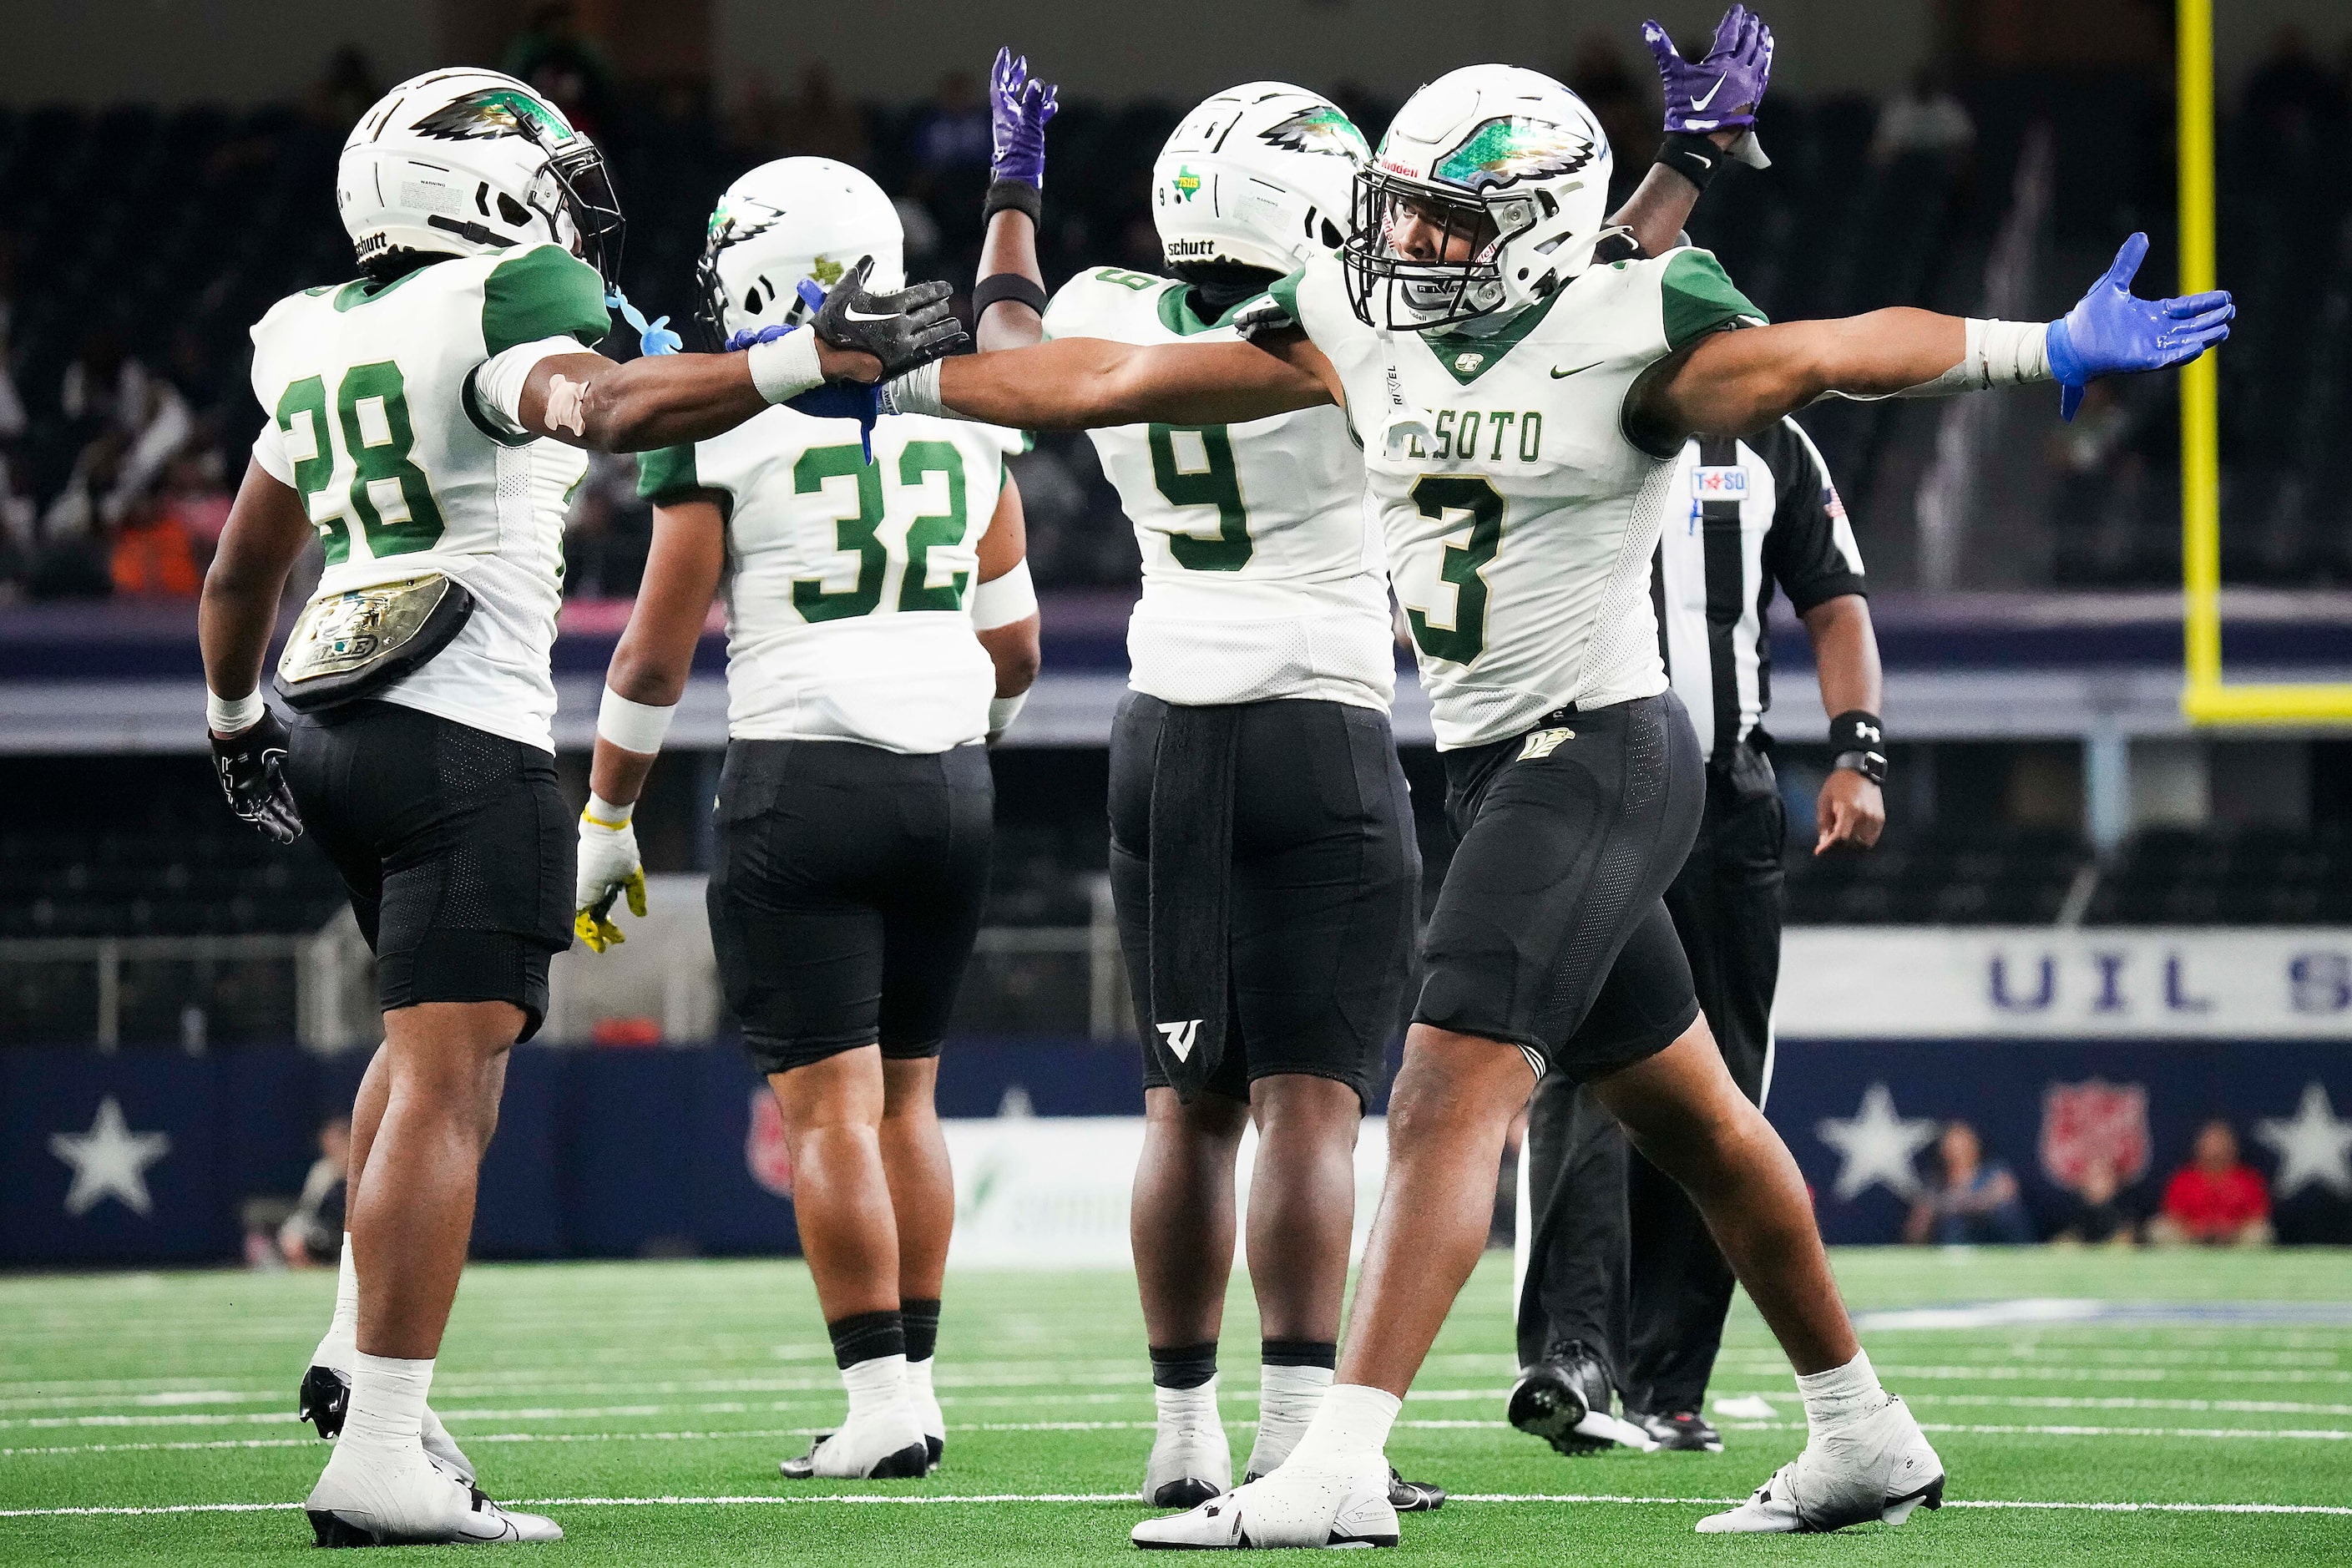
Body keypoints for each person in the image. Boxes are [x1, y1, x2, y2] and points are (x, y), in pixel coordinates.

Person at [883, 55, 2229, 1545]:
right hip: (1491, 766)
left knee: (1450, 1076)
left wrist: (2034, 345)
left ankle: (1334, 1462)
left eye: (1449, 225)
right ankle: (1863, 1429)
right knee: (1701, 1120)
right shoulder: (1352, 314)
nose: (1405, 248)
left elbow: (1826, 353)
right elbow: (1109, 378)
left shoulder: (1629, 329)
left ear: (1533, 228)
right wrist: (889, 366)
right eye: (1402, 214)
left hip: (1603, 747)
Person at [968, 18, 1769, 1513]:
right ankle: (1295, 1436)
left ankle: (1180, 1433)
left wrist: (1013, 186)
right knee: (1312, 1105)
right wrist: (1682, 167)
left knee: (1179, 1106)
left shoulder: (1101, 302)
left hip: (1158, 720)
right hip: (1321, 723)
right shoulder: (1350, 330)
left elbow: (1016, 357)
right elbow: (1554, 298)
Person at [196, 66, 961, 1547]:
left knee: (413, 1063)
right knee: (446, 1087)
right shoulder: (503, 294)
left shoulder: (307, 329)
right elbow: (604, 406)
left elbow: (241, 570)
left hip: (329, 717)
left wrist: (235, 726)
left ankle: (356, 1346)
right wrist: (804, 357)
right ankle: (386, 1446)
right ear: (479, 190)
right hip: (461, 734)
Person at [570, 155, 1038, 1482]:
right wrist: (964, 742)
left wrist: (608, 815)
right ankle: (921, 1385)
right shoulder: (968, 414)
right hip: (951, 784)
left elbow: (653, 660)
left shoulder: (724, 421)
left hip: (799, 781)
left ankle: (881, 1399)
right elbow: (1015, 655)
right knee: (909, 1104)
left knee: (828, 1114)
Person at [1513, 407, 1883, 1457]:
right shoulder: (1561, 399)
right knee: (1579, 1068)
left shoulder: (1770, 439)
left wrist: (1860, 751)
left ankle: (1669, 1380)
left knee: (1717, 1092)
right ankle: (1573, 1356)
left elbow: (1835, 601)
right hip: (1593, 785)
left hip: (1726, 803)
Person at [1902, 1121, 2034, 1246]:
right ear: (1942, 1149)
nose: (1958, 1150)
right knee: (1953, 1223)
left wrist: (1956, 1204)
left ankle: (2021, 1254)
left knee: (2006, 1213)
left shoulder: (1996, 1172)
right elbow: (1918, 1223)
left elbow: (2005, 1194)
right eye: (1952, 1144)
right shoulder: (1935, 1182)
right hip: (1956, 1242)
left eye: (1963, 1143)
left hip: (1994, 1235)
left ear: (1975, 1145)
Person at [2149, 1119, 2274, 1247]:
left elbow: (2258, 1216)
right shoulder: (2183, 1179)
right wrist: (2197, 1228)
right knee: (2160, 1228)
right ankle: (2185, 1266)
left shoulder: (2249, 1179)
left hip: (2234, 1242)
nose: (2216, 1151)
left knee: (2261, 1231)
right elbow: (2172, 1214)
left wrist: (2230, 1228)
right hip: (2192, 1242)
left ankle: (2241, 1266)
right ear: (2199, 1147)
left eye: (2221, 1144)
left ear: (2232, 1147)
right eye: (2211, 1144)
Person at [281, 1116, 353, 1267]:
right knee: (293, 1236)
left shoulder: (359, 1170)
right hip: (322, 1231)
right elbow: (308, 1210)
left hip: (351, 1231)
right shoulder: (321, 1171)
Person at [2050, 1156, 2137, 1247]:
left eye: (2105, 1176)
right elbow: (2062, 1238)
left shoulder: (2125, 1207)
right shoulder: (2071, 1207)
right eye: (2095, 1177)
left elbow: (2127, 1236)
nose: (2100, 1183)